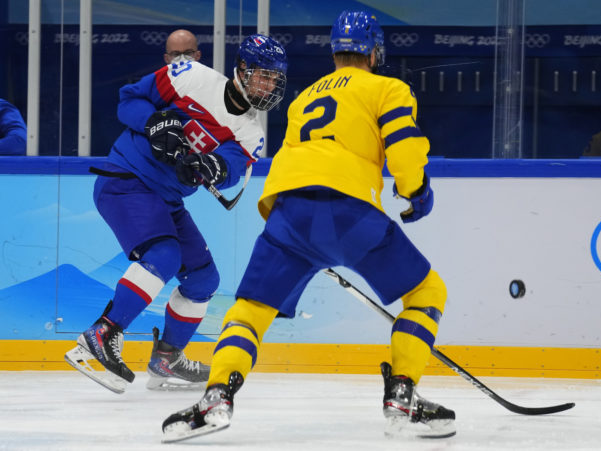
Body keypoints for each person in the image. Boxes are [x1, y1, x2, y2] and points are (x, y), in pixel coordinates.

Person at [161, 10, 455, 443]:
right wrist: (417, 192)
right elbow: (403, 145)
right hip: (350, 212)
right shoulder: (388, 87)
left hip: (290, 214)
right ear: (375, 51)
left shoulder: (304, 98)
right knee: (428, 292)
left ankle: (216, 396)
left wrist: (314, 241)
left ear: (335, 51)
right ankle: (403, 394)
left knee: (251, 311)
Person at [64, 34, 288, 394]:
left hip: (166, 199)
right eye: (263, 75)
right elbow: (128, 101)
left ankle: (166, 357)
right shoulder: (191, 75)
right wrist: (156, 121)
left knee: (203, 279)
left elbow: (230, 170)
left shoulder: (251, 133)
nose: (269, 85)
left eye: (275, 79)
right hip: (126, 179)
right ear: (242, 69)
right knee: (164, 255)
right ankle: (101, 335)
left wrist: (210, 166)